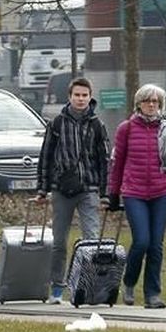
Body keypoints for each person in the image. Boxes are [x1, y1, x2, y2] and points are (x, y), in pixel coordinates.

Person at [107, 84, 166, 309]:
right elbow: (118, 163)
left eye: (156, 101)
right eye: (147, 101)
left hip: (161, 193)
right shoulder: (127, 128)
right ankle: (130, 281)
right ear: (139, 103)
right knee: (141, 241)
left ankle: (153, 294)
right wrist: (113, 193)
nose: (152, 105)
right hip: (134, 193)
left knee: (156, 245)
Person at [34, 76, 110, 304]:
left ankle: (89, 288)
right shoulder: (56, 124)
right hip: (61, 189)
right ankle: (57, 288)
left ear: (90, 97)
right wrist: (42, 188)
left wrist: (106, 193)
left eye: (84, 95)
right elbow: (46, 156)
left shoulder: (97, 125)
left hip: (89, 189)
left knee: (91, 241)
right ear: (69, 97)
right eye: (77, 95)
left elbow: (104, 161)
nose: (80, 99)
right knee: (59, 242)